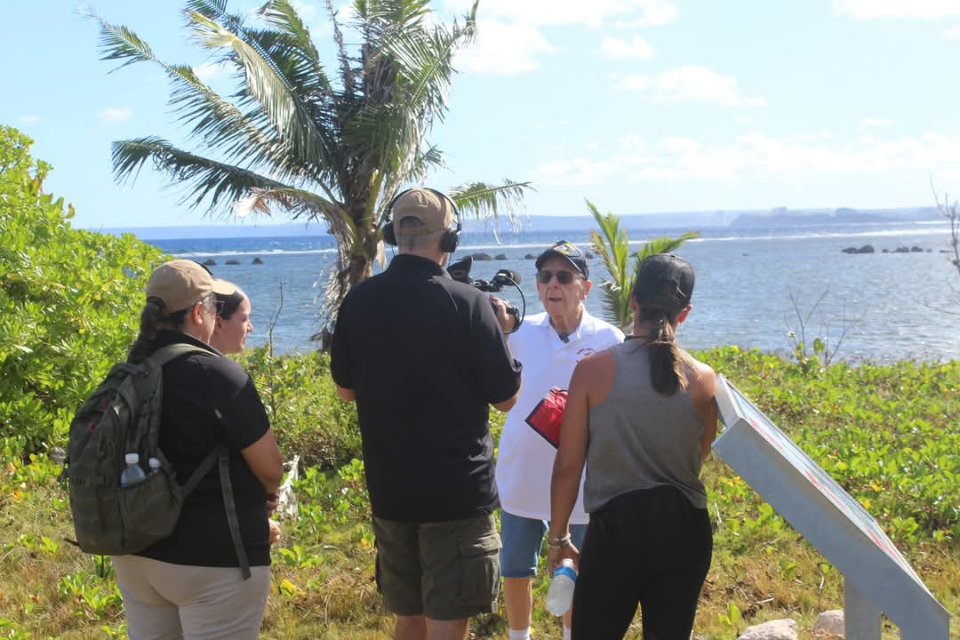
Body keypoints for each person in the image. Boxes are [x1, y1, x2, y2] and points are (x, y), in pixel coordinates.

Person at [329, 188, 523, 640]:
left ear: (392, 235)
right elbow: (506, 398)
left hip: (391, 490)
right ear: (450, 239)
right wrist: (502, 334)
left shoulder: (359, 301)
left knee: (408, 619)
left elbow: (344, 390)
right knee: (448, 623)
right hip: (456, 494)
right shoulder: (468, 303)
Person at [548, 253, 718, 640]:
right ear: (685, 313)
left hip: (617, 533)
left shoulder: (592, 370)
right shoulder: (705, 379)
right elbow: (699, 455)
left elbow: (569, 464)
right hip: (685, 530)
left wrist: (558, 538)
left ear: (633, 302)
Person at [114, 260, 284, 640]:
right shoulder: (216, 373)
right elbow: (270, 468)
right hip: (212, 559)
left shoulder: (130, 370)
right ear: (198, 311)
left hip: (136, 554)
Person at [491, 240, 624, 640]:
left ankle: (571, 634)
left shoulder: (609, 339)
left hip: (584, 480)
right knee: (516, 567)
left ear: (584, 287)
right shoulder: (518, 333)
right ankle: (519, 637)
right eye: (546, 277)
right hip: (522, 475)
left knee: (577, 566)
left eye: (564, 277)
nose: (554, 284)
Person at [209, 278, 281, 545]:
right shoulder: (225, 378)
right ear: (217, 321)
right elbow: (271, 470)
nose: (250, 327)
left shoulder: (151, 369)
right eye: (243, 319)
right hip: (221, 540)